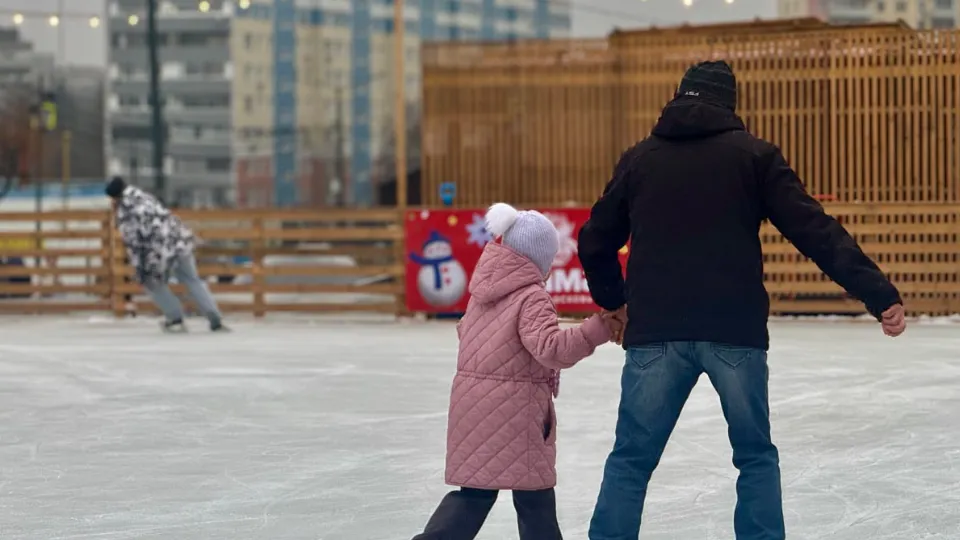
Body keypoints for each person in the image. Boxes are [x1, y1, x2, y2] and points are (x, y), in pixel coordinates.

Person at [578, 61, 906, 540]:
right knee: (754, 457)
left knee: (630, 459)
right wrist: (878, 294)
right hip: (735, 332)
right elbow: (814, 230)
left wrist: (614, 300)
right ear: (729, 104)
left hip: (656, 334)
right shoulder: (753, 157)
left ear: (677, 97)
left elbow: (594, 241)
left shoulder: (640, 159)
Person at [412, 203, 621, 540]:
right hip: (515, 411)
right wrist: (596, 330)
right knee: (535, 497)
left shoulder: (483, 291)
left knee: (475, 493)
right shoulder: (531, 297)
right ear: (539, 258)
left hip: (472, 406)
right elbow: (551, 349)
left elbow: (468, 332)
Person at [106, 176, 228, 333]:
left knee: (151, 283)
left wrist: (140, 268)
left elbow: (135, 241)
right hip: (178, 242)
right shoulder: (144, 196)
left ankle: (175, 317)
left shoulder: (126, 211)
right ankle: (214, 317)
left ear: (115, 198)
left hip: (158, 251)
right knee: (192, 280)